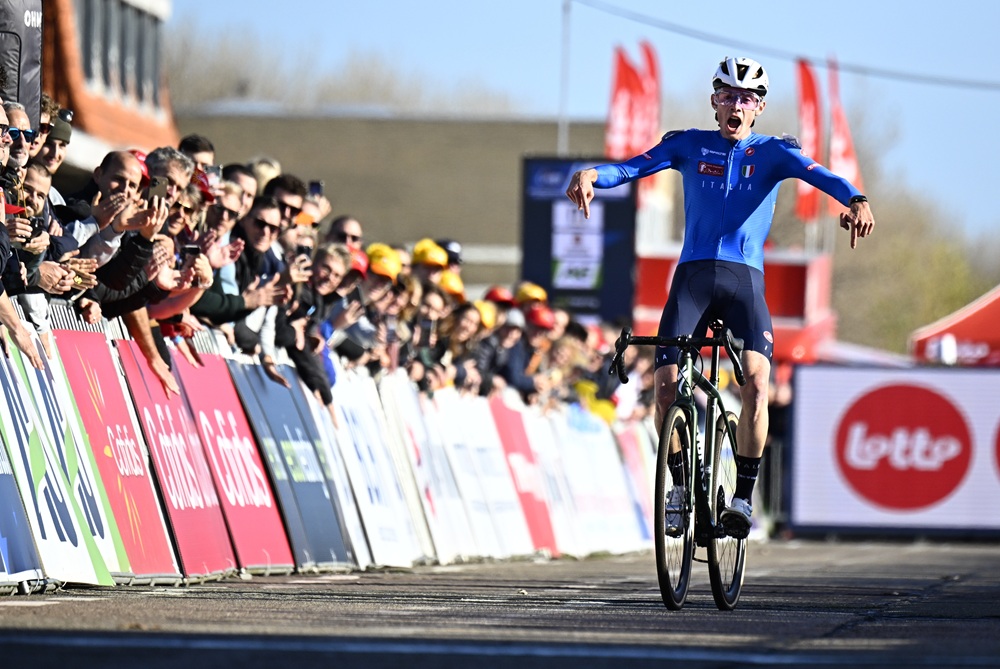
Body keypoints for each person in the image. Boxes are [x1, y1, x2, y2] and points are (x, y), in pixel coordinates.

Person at [565, 56, 876, 538]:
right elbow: (629, 169)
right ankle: (679, 489)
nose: (736, 105)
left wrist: (856, 199)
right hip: (691, 278)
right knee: (665, 386)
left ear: (759, 108)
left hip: (744, 282)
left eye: (746, 99)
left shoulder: (774, 152)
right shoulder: (689, 145)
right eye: (727, 96)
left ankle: (743, 498)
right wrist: (590, 174)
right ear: (715, 102)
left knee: (756, 381)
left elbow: (825, 178)